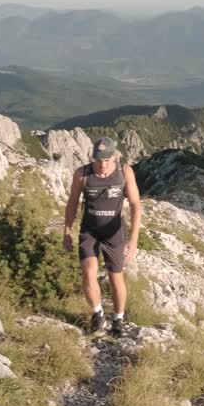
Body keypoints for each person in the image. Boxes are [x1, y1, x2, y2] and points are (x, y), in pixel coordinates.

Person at [62, 136, 143, 337]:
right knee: (89, 271)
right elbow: (72, 202)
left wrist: (133, 240)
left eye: (106, 160)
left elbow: (135, 205)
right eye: (98, 160)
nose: (102, 165)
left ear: (114, 157)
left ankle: (118, 319)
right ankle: (98, 315)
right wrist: (67, 232)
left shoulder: (124, 172)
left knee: (116, 277)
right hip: (90, 230)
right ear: (93, 157)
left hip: (114, 233)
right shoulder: (82, 174)